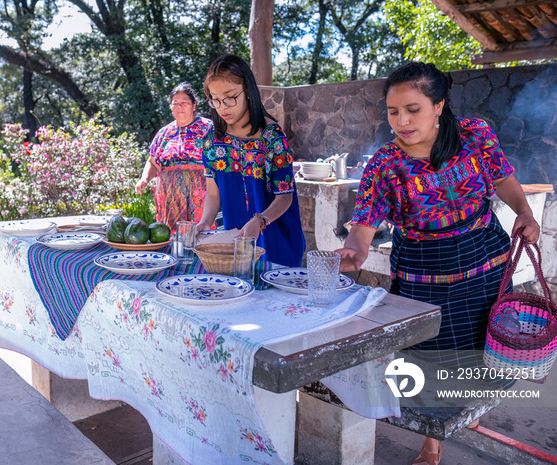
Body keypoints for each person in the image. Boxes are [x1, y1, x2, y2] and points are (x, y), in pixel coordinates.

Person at [336, 62, 540, 465]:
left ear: (439, 105)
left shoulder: (475, 136)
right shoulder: (385, 164)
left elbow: (501, 179)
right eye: (393, 112)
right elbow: (364, 224)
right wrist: (354, 249)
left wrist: (524, 212)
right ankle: (431, 444)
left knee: (485, 339)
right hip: (421, 270)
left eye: (413, 109)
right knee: (424, 353)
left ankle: (473, 406)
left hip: (482, 258)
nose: (402, 121)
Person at [195, 54, 305, 267]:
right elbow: (212, 193)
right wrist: (205, 222)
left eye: (229, 97)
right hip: (236, 247)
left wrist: (260, 221)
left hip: (278, 244)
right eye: (215, 99)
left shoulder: (272, 137)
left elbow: (285, 197)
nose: (223, 107)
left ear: (248, 91)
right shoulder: (212, 140)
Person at [135, 82, 212, 231]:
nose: (179, 107)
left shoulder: (208, 128)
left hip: (200, 195)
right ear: (170, 107)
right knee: (172, 238)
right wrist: (144, 179)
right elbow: (153, 162)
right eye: (175, 103)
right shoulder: (164, 133)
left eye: (184, 103)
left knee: (200, 237)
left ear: (194, 105)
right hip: (169, 199)